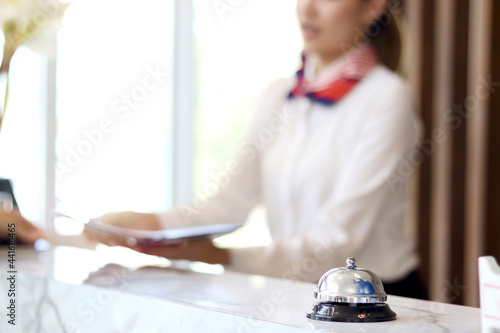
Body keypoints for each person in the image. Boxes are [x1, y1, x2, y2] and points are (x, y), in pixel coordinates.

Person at [85, 0, 426, 299]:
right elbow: (228, 205)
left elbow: (337, 242)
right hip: (297, 294)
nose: (306, 8)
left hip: (376, 301)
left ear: (373, 6)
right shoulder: (279, 95)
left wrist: (222, 257)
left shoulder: (386, 97)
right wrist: (149, 223)